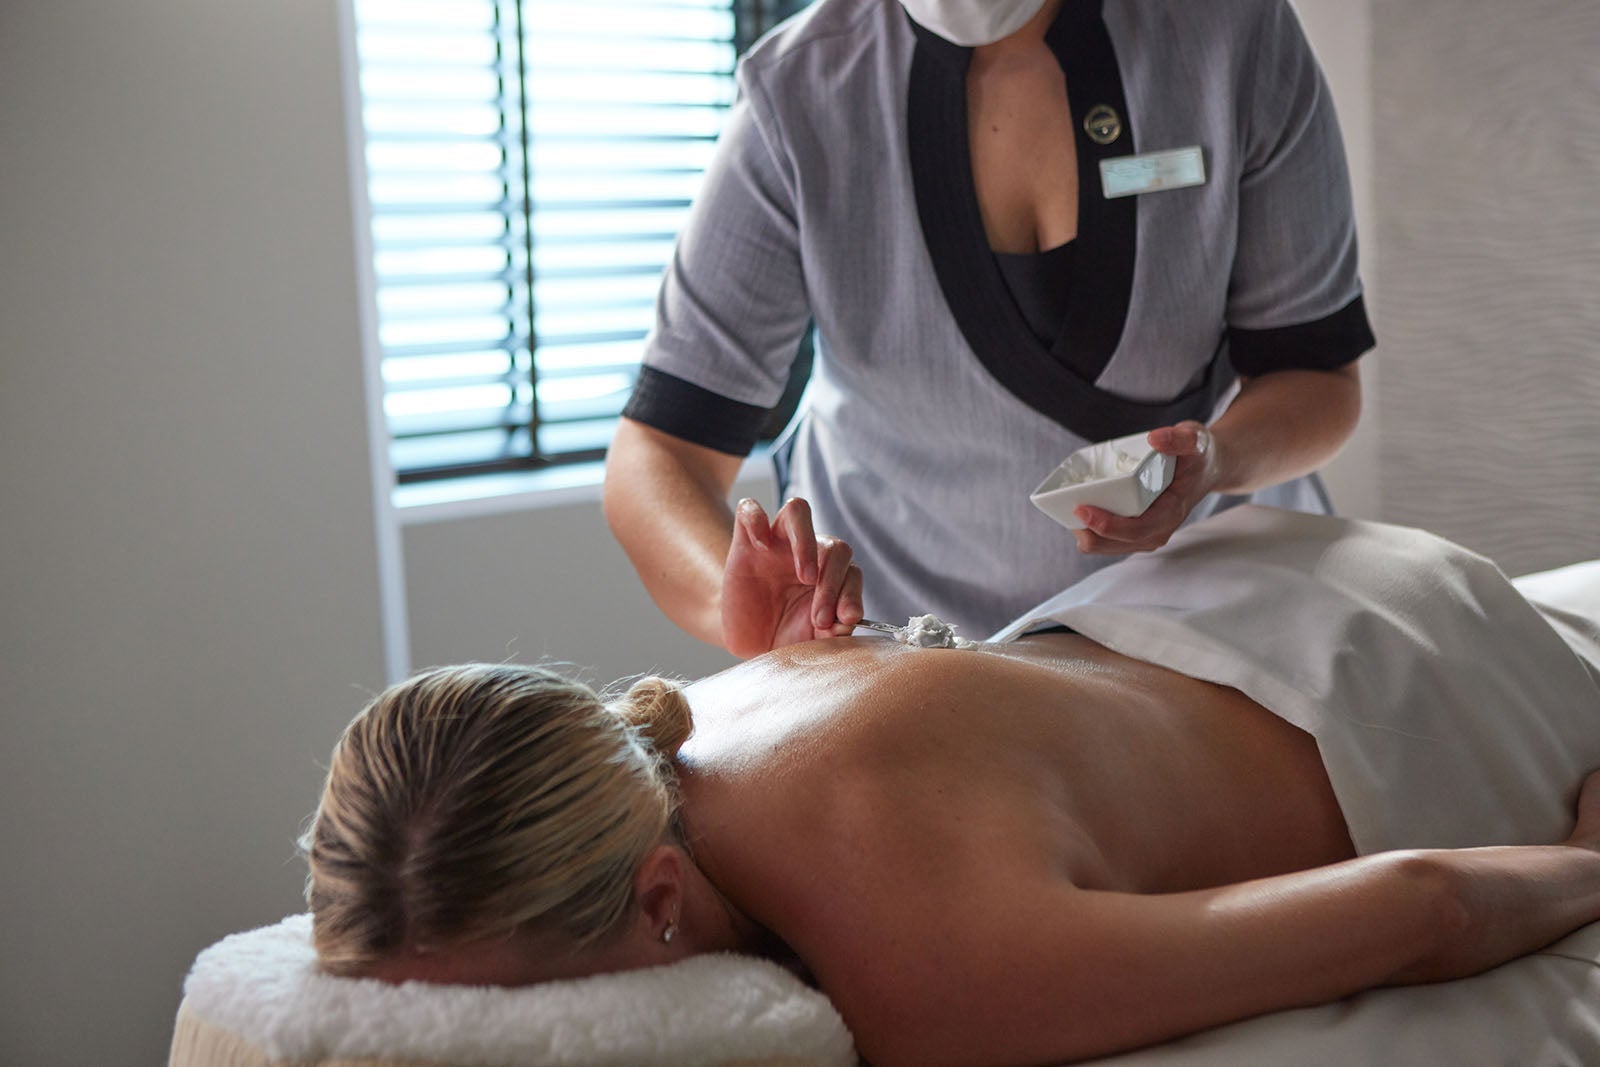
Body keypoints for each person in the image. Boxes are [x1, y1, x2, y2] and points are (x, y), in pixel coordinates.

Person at [303, 508, 1600, 1066]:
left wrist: (1588, 863)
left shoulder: (919, 966)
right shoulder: (690, 724)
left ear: (655, 901)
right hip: (1208, 587)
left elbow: (1422, 906)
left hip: (1394, 681)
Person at [603, 0, 1374, 659]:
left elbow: (1317, 377)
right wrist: (736, 601)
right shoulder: (802, 98)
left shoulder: (1228, 34)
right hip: (910, 654)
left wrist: (1216, 460)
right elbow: (659, 452)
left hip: (1210, 628)